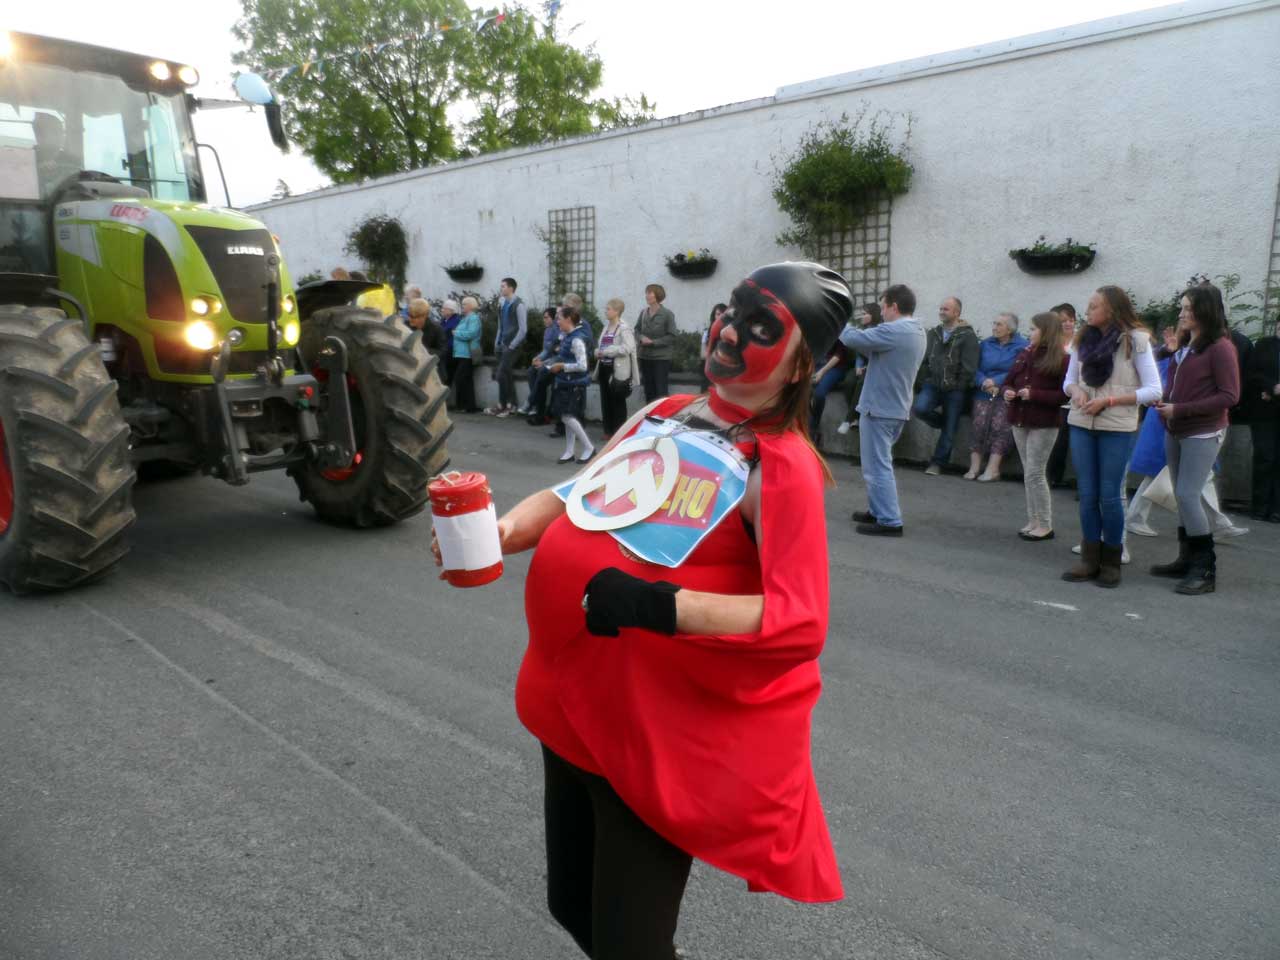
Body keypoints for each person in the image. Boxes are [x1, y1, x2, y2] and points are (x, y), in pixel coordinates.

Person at [451, 261, 849, 958]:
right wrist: (504, 531)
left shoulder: (779, 468)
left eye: (760, 327)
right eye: (731, 310)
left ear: (800, 367)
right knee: (570, 905)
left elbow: (801, 620)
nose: (728, 331)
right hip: (569, 705)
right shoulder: (662, 413)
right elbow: (582, 491)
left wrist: (659, 606)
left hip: (651, 734)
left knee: (628, 945)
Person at [1061, 286, 1162, 587]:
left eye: (1094, 306)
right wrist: (1076, 390)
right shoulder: (1082, 339)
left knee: (1110, 495)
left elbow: (1154, 390)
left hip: (1117, 426)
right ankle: (1089, 559)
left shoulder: (1136, 340)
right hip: (1081, 421)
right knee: (1088, 494)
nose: (1087, 311)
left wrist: (1110, 401)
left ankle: (1112, 561)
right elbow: (1069, 381)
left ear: (1112, 310)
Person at [1149, 284, 1241, 595]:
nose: (1181, 313)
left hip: (1203, 431)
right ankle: (1187, 559)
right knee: (1180, 493)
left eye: (1188, 308)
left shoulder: (1220, 347)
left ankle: (1205, 569)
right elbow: (1177, 381)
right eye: (1182, 307)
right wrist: (1165, 400)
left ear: (1205, 311)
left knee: (1188, 495)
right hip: (1175, 428)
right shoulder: (1187, 344)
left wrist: (1180, 408)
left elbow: (1230, 396)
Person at [841, 284, 928, 536]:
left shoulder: (896, 330)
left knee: (878, 466)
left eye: (882, 307)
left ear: (894, 307)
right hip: (892, 406)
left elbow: (851, 338)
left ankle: (889, 520)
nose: (881, 313)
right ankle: (878, 510)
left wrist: (838, 319)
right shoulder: (915, 329)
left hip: (881, 407)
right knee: (877, 464)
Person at [1002, 312, 1068, 540]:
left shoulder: (1060, 358)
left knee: (1035, 473)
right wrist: (1008, 393)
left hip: (1043, 422)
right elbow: (1009, 381)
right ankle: (1033, 519)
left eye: (1033, 329)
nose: (1029, 333)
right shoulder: (1024, 353)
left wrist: (1034, 394)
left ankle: (1045, 524)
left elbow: (1063, 395)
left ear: (1046, 331)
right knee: (1028, 471)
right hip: (1020, 419)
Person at [913, 296, 978, 476]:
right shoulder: (934, 333)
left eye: (946, 309)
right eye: (941, 308)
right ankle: (944, 423)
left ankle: (938, 463)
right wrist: (924, 379)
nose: (941, 312)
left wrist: (958, 385)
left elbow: (970, 366)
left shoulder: (967, 336)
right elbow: (925, 360)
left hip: (955, 390)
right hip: (932, 385)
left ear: (957, 312)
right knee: (919, 409)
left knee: (950, 428)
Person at [967, 313, 1028, 481]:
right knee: (978, 426)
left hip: (1006, 393)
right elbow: (974, 366)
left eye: (999, 324)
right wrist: (983, 382)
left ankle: (993, 469)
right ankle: (974, 466)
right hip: (983, 390)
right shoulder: (986, 344)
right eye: (994, 323)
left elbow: (1017, 370)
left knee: (1000, 428)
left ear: (1010, 329)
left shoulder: (1022, 346)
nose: (994, 327)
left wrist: (995, 382)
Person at [547, 305, 595, 464]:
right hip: (566, 381)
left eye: (559, 319)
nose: (557, 322)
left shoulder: (576, 339)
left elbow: (583, 366)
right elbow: (563, 357)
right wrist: (546, 363)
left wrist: (561, 367)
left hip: (574, 383)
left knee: (567, 416)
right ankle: (569, 451)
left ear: (568, 319)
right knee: (567, 416)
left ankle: (589, 447)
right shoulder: (567, 336)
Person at [1244, 326, 1280, 522]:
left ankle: (1276, 509)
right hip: (1264, 413)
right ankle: (1259, 507)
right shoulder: (1265, 345)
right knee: (1264, 457)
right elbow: (1252, 375)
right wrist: (1271, 387)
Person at [836, 302, 882, 435]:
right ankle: (856, 416)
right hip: (861, 365)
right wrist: (858, 366)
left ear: (873, 315)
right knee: (849, 381)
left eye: (865, 313)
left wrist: (866, 366)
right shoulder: (862, 329)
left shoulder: (880, 331)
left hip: (874, 366)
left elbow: (878, 355)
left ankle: (849, 419)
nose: (861, 316)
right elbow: (859, 351)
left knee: (862, 383)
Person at [594, 298, 637, 441]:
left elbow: (628, 347)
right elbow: (601, 346)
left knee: (617, 400)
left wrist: (608, 351)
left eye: (608, 309)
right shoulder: (606, 327)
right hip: (604, 368)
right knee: (605, 400)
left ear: (617, 311)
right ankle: (608, 430)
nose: (606, 311)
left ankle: (619, 433)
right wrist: (598, 352)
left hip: (617, 370)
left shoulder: (624, 328)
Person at [1046, 302, 1078, 488]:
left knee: (1075, 441)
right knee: (1057, 440)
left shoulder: (1081, 341)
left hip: (1075, 396)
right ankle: (1052, 476)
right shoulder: (1051, 343)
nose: (1067, 324)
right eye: (1062, 321)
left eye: (1070, 320)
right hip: (1055, 394)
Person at [487, 277, 527, 417]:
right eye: (501, 286)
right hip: (502, 345)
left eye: (503, 286)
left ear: (511, 288)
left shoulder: (519, 305)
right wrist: (497, 342)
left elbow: (523, 330)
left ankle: (505, 404)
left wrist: (512, 345)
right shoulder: (503, 304)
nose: (501, 288)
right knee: (506, 374)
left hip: (513, 346)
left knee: (500, 374)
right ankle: (509, 405)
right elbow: (501, 326)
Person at [636, 283, 677, 402]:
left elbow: (672, 336)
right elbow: (636, 329)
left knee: (660, 392)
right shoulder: (643, 313)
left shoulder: (667, 314)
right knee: (648, 390)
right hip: (645, 356)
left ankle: (661, 417)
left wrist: (653, 342)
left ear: (657, 295)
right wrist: (640, 338)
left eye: (650, 293)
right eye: (646, 293)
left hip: (661, 358)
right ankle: (649, 416)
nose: (647, 295)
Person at [808, 335, 851, 446]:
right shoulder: (816, 330)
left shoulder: (840, 330)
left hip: (835, 367)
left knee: (819, 394)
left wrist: (821, 373)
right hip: (816, 364)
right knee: (803, 393)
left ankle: (813, 429)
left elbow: (839, 355)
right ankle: (805, 430)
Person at [523, 307, 561, 425]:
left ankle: (532, 402)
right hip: (549, 361)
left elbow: (557, 353)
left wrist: (543, 362)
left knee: (541, 372)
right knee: (531, 371)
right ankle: (536, 404)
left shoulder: (558, 330)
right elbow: (546, 350)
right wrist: (537, 358)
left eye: (546, 317)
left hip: (556, 363)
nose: (544, 320)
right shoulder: (548, 330)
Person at [450, 296, 483, 413]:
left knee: (461, 379)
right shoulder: (465, 318)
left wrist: (456, 333)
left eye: (464, 304)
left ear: (470, 306)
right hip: (461, 353)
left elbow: (471, 333)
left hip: (468, 354)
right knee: (467, 380)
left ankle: (464, 405)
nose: (462, 306)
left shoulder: (473, 318)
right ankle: (469, 406)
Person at [699, 303, 727, 393]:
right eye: (718, 314)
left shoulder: (730, 332)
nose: (720, 317)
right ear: (714, 316)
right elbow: (703, 353)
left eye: (723, 314)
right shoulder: (707, 332)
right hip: (709, 364)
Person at [439, 299, 462, 387]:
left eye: (444, 308)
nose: (442, 310)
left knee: (449, 375)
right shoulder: (444, 320)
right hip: (445, 350)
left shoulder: (456, 320)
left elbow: (446, 332)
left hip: (452, 351)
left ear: (451, 310)